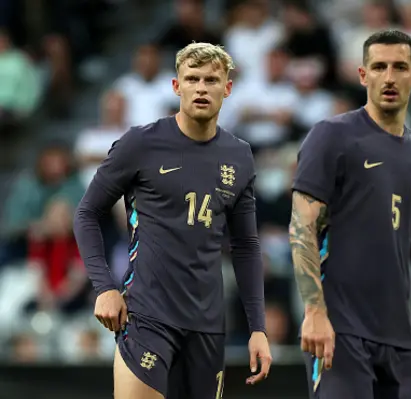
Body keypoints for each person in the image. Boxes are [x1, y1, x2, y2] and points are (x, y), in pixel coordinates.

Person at [289, 29, 411, 399]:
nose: (389, 77)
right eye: (379, 67)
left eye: (399, 67)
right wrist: (314, 310)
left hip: (397, 337)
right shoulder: (331, 136)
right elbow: (302, 229)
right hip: (339, 330)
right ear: (363, 76)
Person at [73, 43, 272, 399]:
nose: (201, 87)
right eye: (192, 79)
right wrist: (104, 287)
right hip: (148, 314)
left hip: (208, 324)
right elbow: (87, 212)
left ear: (227, 88)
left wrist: (258, 327)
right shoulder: (140, 143)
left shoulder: (239, 155)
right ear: (176, 86)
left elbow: (245, 245)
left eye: (211, 79)